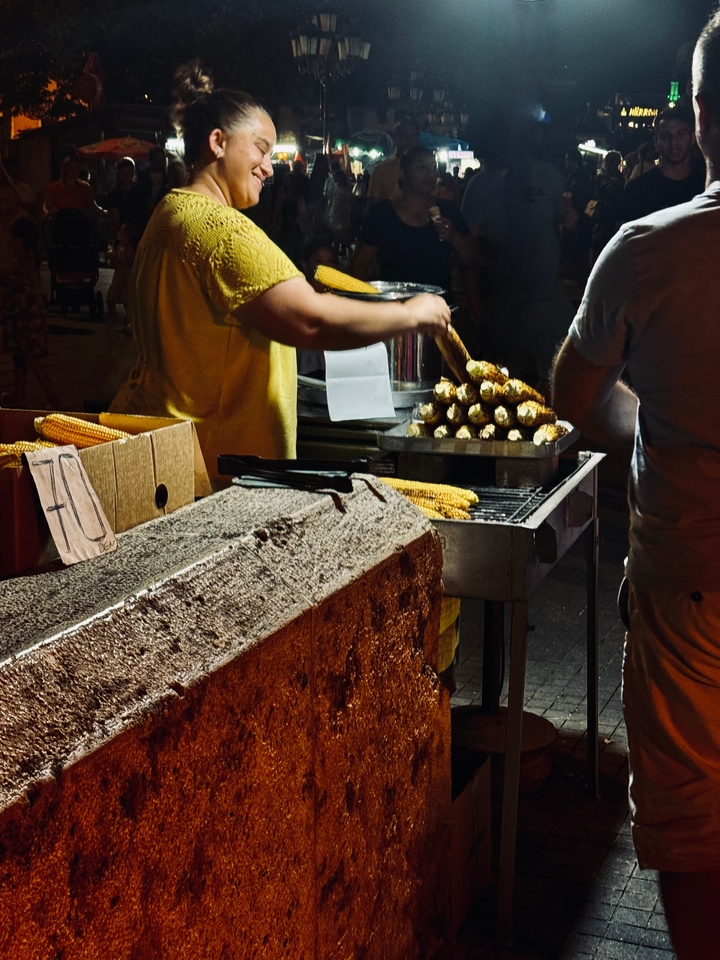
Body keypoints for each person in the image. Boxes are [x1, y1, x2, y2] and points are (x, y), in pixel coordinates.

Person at [551, 11, 720, 957]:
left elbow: (574, 397)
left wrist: (651, 413)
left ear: (699, 113)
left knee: (695, 830)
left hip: (687, 583)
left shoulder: (649, 249)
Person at [109, 61, 450, 480]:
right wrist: (412, 313)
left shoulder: (169, 212)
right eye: (261, 148)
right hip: (216, 471)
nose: (269, 167)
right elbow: (307, 321)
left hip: (171, 453)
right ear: (218, 142)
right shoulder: (219, 228)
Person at [461, 123, 575, 390]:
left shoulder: (551, 176)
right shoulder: (481, 184)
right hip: (503, 299)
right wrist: (473, 293)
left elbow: (566, 225)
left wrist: (571, 220)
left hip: (548, 295)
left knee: (560, 369)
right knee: (503, 378)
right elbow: (469, 244)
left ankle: (555, 427)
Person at [351, 145, 479, 301]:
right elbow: (359, 265)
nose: (429, 173)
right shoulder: (382, 214)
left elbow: (473, 260)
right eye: (421, 167)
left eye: (433, 167)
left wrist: (454, 237)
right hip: (395, 312)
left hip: (437, 310)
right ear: (404, 174)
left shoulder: (448, 210)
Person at [0, 218, 61, 409]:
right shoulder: (25, 257)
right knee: (19, 356)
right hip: (20, 316)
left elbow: (14, 281)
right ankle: (19, 395)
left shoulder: (25, 261)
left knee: (31, 359)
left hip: (27, 318)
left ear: (19, 240)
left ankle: (55, 402)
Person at [619, 103, 706, 223]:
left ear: (692, 138)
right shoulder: (638, 191)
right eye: (666, 135)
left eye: (681, 133)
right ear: (656, 142)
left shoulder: (705, 188)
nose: (673, 142)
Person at [366, 118, 420, 207]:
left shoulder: (425, 168)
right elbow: (372, 205)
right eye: (400, 137)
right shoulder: (380, 170)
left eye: (409, 137)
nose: (405, 141)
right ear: (395, 139)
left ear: (416, 138)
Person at [106, 222, 138, 328]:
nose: (119, 233)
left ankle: (129, 318)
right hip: (118, 277)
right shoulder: (119, 247)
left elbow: (130, 263)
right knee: (111, 297)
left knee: (126, 300)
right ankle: (113, 317)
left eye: (122, 231)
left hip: (126, 278)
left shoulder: (129, 248)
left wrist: (118, 260)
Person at [104, 157, 147, 235]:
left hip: (140, 232)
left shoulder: (140, 191)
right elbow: (115, 220)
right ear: (118, 174)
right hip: (124, 234)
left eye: (129, 173)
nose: (126, 177)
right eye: (123, 173)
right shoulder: (114, 194)